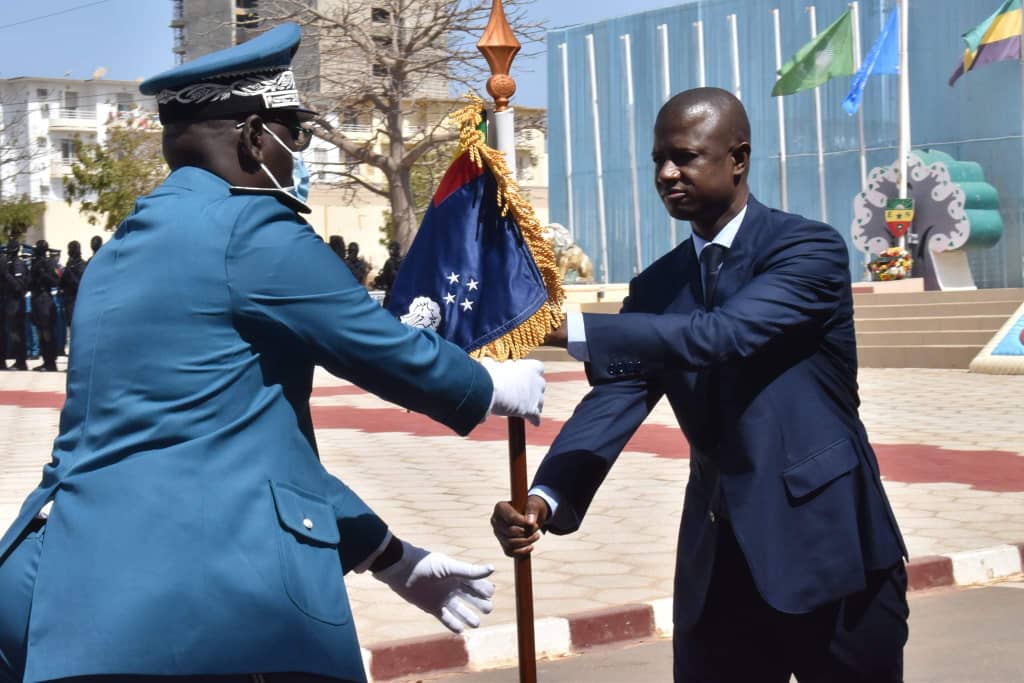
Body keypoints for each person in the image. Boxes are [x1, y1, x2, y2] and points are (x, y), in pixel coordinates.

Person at [0, 24, 545, 683]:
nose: (299, 159)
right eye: (298, 136)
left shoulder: (118, 254)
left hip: (59, 588)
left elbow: (247, 450)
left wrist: (392, 557)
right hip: (195, 605)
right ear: (256, 138)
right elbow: (377, 347)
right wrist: (486, 385)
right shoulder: (252, 229)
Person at [492, 88, 908, 683]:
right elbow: (617, 398)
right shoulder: (657, 285)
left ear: (737, 158)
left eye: (685, 157)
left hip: (831, 555)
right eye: (659, 158)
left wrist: (561, 327)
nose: (666, 173)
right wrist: (547, 497)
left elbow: (721, 335)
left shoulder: (806, 250)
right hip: (716, 570)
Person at [28, 239, 60, 371]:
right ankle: (45, 360)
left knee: (47, 332)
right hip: (36, 298)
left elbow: (55, 281)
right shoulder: (35, 263)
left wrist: (44, 275)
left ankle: (51, 363)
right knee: (40, 332)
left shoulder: (49, 263)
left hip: (44, 298)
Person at [1, 240, 28, 371]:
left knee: (17, 333)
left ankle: (21, 361)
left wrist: (6, 275)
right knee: (12, 333)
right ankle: (17, 360)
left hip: (16, 303)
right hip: (9, 302)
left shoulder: (18, 264)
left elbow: (19, 286)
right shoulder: (10, 263)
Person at [60, 240, 87, 333]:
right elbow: (61, 283)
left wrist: (69, 272)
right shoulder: (70, 264)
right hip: (69, 301)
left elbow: (79, 284)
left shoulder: (82, 265)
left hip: (77, 301)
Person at [372, 239, 403, 307]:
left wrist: (377, 280)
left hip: (391, 293)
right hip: (401, 293)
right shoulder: (403, 260)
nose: (390, 251)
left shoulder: (389, 262)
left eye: (391, 249)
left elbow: (384, 277)